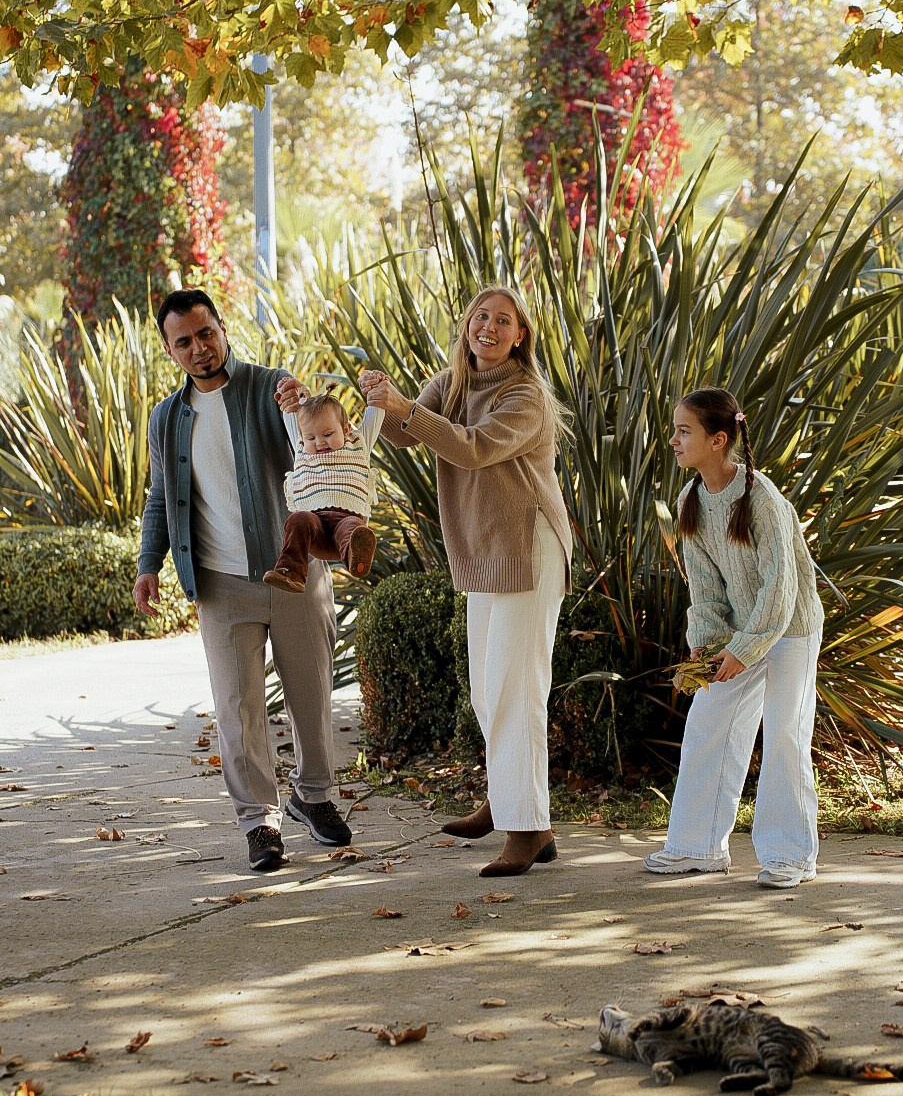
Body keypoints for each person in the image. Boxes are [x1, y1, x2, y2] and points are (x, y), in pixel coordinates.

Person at [133, 288, 352, 874]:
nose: (200, 348)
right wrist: (147, 565)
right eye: (185, 342)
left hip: (293, 569)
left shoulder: (269, 387)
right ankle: (260, 821)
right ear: (170, 350)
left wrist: (297, 404)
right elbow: (161, 498)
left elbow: (316, 447)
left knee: (311, 693)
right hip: (220, 583)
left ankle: (315, 795)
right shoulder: (167, 418)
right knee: (238, 707)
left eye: (207, 333)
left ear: (223, 329)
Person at [359, 285, 573, 878]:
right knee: (487, 687)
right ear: (468, 324)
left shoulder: (524, 395)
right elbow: (404, 432)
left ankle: (525, 829)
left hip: (528, 549)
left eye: (503, 321)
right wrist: (381, 400)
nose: (489, 327)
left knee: (517, 688)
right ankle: (513, 801)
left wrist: (406, 410)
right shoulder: (452, 382)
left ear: (520, 335)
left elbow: (474, 449)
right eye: (482, 316)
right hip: (483, 551)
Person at [645, 387, 824, 889]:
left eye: (685, 432)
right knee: (707, 723)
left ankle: (790, 855)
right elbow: (703, 584)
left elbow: (781, 587)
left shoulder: (761, 498)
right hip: (740, 633)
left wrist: (745, 649)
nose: (674, 441)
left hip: (788, 629)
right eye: (675, 430)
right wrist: (707, 640)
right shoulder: (691, 500)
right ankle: (697, 846)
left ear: (718, 439)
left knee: (785, 734)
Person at [263, 389, 383, 591]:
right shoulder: (301, 448)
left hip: (344, 524)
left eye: (327, 434)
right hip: (314, 530)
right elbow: (291, 415)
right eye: (311, 438)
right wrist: (292, 397)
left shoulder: (358, 444)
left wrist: (375, 389)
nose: (319, 442)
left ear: (345, 430)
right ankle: (292, 573)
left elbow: (375, 415)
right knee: (297, 519)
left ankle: (355, 557)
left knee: (353, 527)